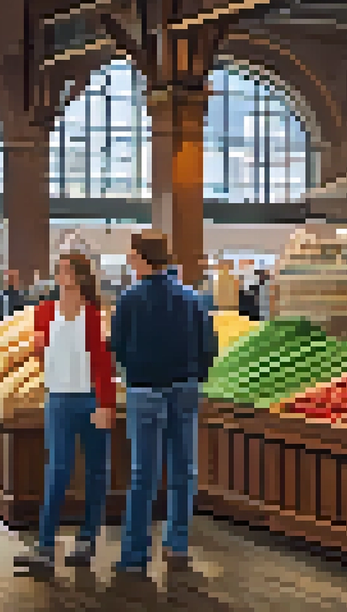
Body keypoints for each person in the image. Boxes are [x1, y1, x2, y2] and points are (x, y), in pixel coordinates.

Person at [110, 232, 218, 575]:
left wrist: (134, 373)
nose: (128, 258)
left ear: (142, 257)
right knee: (183, 470)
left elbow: (118, 347)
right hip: (184, 389)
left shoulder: (129, 299)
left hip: (144, 390)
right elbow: (209, 345)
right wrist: (194, 375)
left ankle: (134, 554)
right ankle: (177, 545)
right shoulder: (192, 299)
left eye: (131, 253)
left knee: (143, 474)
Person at [14, 252, 117, 572]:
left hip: (89, 399)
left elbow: (104, 366)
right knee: (57, 471)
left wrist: (106, 404)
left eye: (67, 271)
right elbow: (43, 359)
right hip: (57, 399)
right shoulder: (43, 313)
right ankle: (45, 546)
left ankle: (87, 540)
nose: (62, 276)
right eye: (59, 271)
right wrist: (38, 352)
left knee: (96, 472)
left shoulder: (95, 315)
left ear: (81, 276)